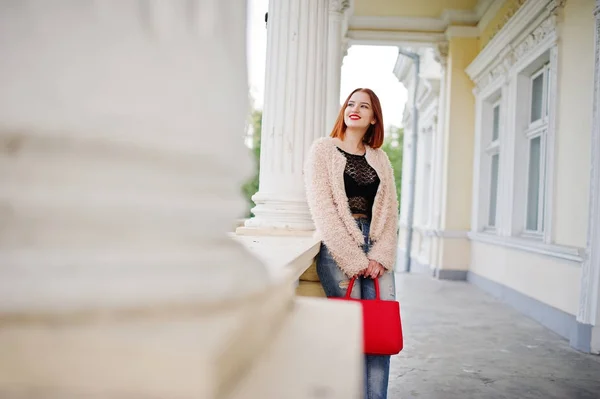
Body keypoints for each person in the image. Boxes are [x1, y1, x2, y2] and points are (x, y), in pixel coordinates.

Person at [304, 88, 399, 399]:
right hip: (339, 249)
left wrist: (381, 256)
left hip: (376, 245)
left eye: (364, 106)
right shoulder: (323, 150)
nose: (355, 109)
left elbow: (390, 211)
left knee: (379, 334)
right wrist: (355, 260)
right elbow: (323, 210)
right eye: (351, 103)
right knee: (351, 336)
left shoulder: (380, 159)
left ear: (374, 118)